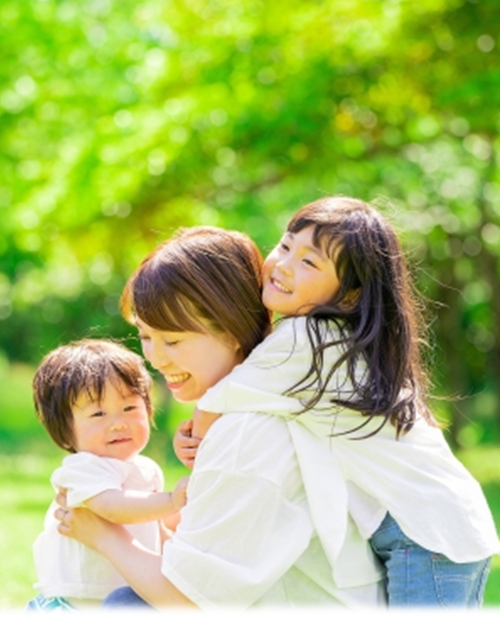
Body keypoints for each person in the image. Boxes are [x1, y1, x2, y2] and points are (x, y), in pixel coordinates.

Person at [184, 196, 500, 607]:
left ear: (351, 295)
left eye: (309, 263)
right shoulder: (343, 341)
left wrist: (194, 439)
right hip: (443, 526)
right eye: (285, 246)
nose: (283, 265)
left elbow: (218, 402)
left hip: (425, 537)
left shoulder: (308, 340)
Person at [55, 226, 384, 608]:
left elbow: (188, 602)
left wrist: (102, 535)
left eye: (174, 340)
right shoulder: (264, 408)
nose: (156, 358)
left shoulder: (250, 432)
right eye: (145, 336)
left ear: (232, 331)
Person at [27, 339, 188, 610]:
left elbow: (152, 525)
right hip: (74, 602)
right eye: (98, 413)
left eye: (129, 408)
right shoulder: (82, 469)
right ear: (64, 429)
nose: (118, 423)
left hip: (123, 597)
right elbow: (112, 507)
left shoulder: (146, 469)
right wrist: (171, 501)